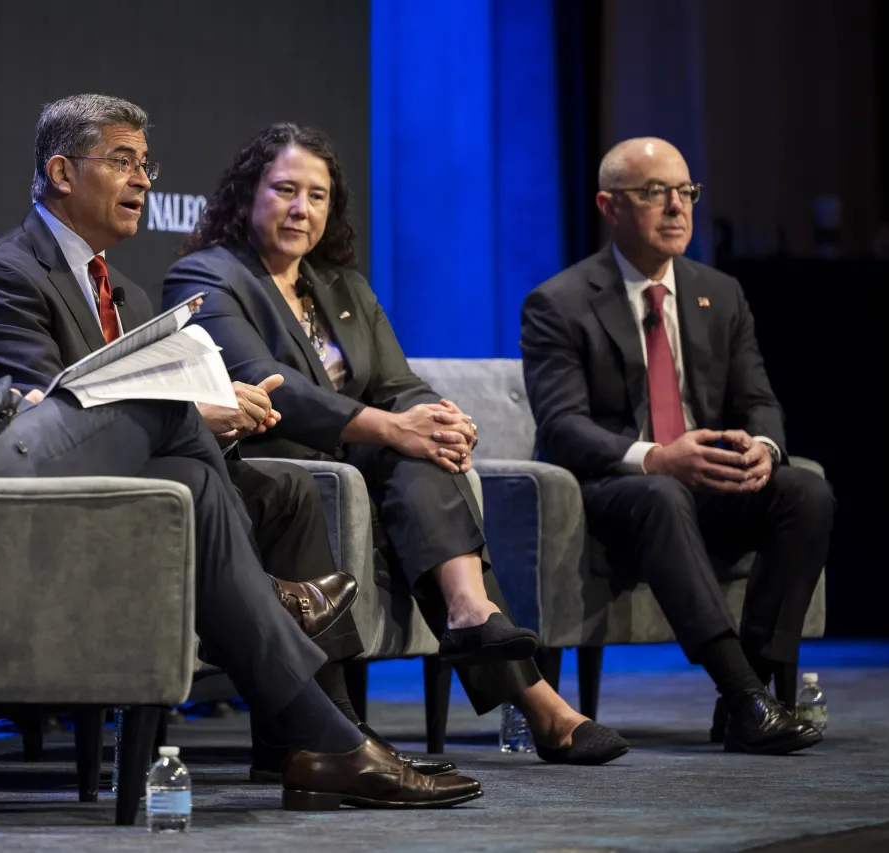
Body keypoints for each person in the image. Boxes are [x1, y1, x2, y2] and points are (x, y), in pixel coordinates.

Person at [0, 65, 482, 809]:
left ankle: (323, 736)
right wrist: (30, 400)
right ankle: (316, 714)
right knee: (166, 405)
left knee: (198, 476)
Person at [0, 94, 455, 782]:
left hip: (151, 476)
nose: (144, 181)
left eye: (147, 164)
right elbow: (52, 422)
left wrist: (217, 415)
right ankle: (323, 725)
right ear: (62, 173)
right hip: (60, 500)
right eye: (123, 162)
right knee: (202, 477)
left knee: (289, 489)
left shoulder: (125, 291)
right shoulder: (3, 277)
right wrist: (194, 406)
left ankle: (306, 736)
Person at [163, 122, 628, 765]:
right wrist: (393, 427)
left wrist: (434, 419)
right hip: (282, 459)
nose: (302, 208)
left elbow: (398, 383)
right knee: (404, 447)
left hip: (359, 462)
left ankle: (473, 616)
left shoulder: (341, 287)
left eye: (318, 196)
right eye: (285, 190)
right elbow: (269, 389)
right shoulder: (208, 276)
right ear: (247, 195)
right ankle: (533, 695)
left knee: (421, 452)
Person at [518, 137, 832, 755]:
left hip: (706, 485)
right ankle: (742, 692)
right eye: (654, 193)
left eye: (685, 191)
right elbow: (562, 427)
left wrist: (763, 447)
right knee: (661, 493)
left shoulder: (721, 293)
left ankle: (754, 690)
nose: (676, 207)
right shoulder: (558, 302)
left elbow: (759, 399)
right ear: (610, 206)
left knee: (806, 491)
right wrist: (656, 456)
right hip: (614, 494)